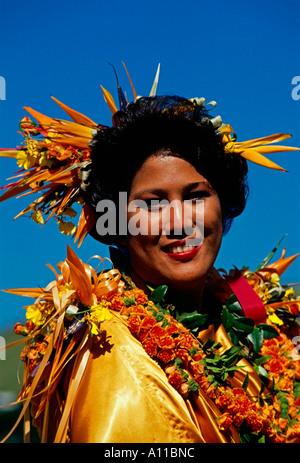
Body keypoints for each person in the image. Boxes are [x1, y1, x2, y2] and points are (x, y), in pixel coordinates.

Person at [1, 65, 300, 444]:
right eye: (152, 204)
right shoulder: (105, 344)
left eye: (196, 196)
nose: (180, 222)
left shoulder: (253, 303)